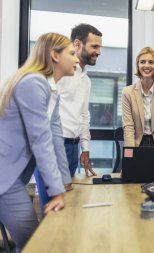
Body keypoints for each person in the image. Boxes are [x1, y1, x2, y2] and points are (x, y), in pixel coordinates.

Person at [0, 33, 79, 252]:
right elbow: (40, 140)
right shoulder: (33, 83)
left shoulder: (52, 90)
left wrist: (65, 183)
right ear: (54, 55)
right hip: (4, 180)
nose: (76, 60)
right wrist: (56, 192)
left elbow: (55, 136)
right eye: (71, 54)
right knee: (37, 244)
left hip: (12, 177)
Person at [58, 23, 102, 177]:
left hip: (73, 146)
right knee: (54, 197)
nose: (99, 52)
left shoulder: (86, 80)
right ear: (77, 44)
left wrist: (85, 148)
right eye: (94, 46)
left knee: (68, 197)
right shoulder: (60, 71)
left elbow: (84, 115)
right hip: (56, 144)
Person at [122, 47, 154, 147]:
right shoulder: (127, 92)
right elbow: (128, 126)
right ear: (138, 65)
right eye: (142, 62)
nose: (146, 65)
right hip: (137, 144)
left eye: (151, 62)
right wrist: (132, 153)